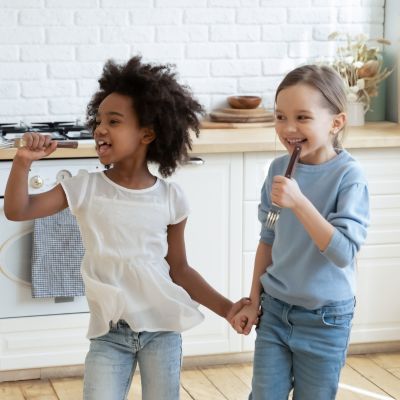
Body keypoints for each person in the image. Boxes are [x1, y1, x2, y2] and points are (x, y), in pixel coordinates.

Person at [4, 56, 250, 400]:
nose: (100, 129)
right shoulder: (83, 187)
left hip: (162, 329)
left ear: (147, 133)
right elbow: (18, 210)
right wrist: (22, 163)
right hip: (110, 333)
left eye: (114, 121)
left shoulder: (171, 198)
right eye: (99, 120)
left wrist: (227, 309)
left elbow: (179, 270)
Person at [231, 65, 370, 399]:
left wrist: (300, 202)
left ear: (336, 122)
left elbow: (343, 252)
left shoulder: (349, 177)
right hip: (276, 311)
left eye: (302, 117)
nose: (288, 128)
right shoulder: (278, 170)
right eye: (280, 116)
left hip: (326, 320)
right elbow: (268, 239)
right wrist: (253, 300)